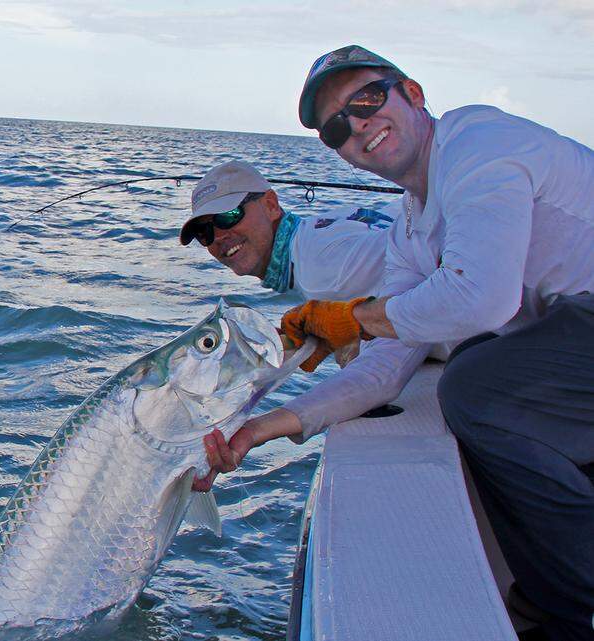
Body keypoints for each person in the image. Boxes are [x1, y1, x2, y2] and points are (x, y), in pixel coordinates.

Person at [203, 45, 594, 641]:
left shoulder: (477, 141)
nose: (357, 125)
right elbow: (384, 371)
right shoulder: (414, 225)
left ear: (411, 92)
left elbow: (481, 299)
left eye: (366, 99)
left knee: (476, 386)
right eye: (336, 127)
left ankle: (574, 611)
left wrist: (355, 316)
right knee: (482, 376)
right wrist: (260, 430)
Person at [179, 159, 396, 302]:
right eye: (203, 232)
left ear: (271, 205)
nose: (217, 237)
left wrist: (358, 324)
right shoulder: (314, 236)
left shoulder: (319, 269)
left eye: (228, 216)